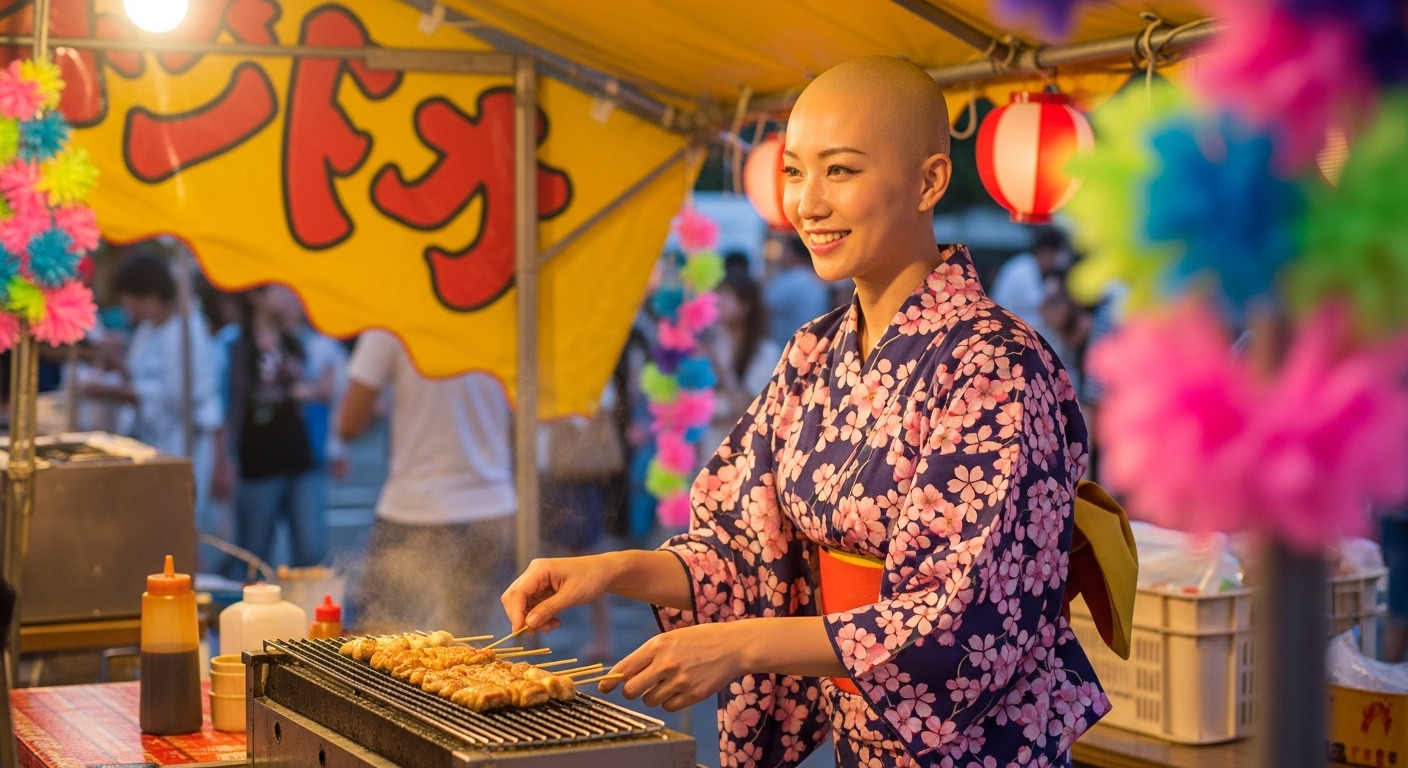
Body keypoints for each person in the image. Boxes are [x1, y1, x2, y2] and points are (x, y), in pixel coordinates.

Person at [502, 56, 1104, 767]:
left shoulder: (997, 364)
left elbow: (960, 617)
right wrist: (611, 570)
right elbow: (747, 551)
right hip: (861, 740)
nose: (807, 203)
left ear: (930, 181)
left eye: (839, 170)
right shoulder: (813, 351)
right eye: (793, 171)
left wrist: (741, 644)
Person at [339, 330, 515, 638]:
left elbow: (349, 423)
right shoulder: (505, 317)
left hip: (416, 506)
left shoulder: (390, 320)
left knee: (379, 642)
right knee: (471, 648)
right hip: (493, 508)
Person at [109, 252, 225, 565]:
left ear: (149, 297)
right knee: (158, 532)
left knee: (182, 531)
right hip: (154, 442)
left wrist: (122, 391)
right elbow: (142, 375)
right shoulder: (149, 330)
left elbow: (179, 396)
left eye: (130, 300)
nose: (127, 308)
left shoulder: (186, 331)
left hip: (185, 444)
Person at [223, 288, 328, 573]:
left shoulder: (294, 342)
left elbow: (314, 389)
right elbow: (231, 404)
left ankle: (306, 602)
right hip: (257, 461)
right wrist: (226, 458)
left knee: (311, 548)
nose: (286, 296)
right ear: (255, 296)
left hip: (300, 457)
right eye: (277, 290)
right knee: (255, 554)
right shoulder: (237, 345)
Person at [702, 268, 783, 455]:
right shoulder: (713, 342)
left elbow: (746, 410)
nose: (718, 302)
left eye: (726, 295)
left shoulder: (765, 353)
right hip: (707, 450)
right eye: (717, 294)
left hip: (742, 452)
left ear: (746, 306)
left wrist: (719, 367)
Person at [763, 235, 832, 346]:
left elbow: (764, 303)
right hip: (812, 342)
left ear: (792, 253)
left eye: (785, 250)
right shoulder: (814, 278)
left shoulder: (791, 280)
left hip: (787, 345)